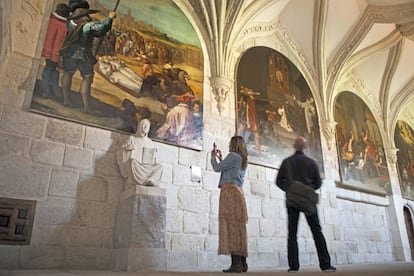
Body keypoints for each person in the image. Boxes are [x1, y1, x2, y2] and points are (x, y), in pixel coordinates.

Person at [276, 137, 336, 273]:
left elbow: (279, 182)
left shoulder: (287, 162)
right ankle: (325, 265)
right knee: (317, 232)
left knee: (292, 234)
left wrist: (291, 189)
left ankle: (293, 267)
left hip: (292, 201)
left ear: (294, 146)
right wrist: (307, 190)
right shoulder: (311, 162)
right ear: (305, 147)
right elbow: (318, 183)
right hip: (308, 201)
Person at [59, 3, 116, 112]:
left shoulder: (69, 23)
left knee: (67, 73)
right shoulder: (87, 26)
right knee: (87, 78)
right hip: (83, 55)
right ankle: (86, 107)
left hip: (69, 53)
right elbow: (101, 28)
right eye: (86, 14)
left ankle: (66, 100)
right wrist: (110, 18)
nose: (88, 17)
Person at [210, 136, 249, 273]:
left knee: (231, 227)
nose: (228, 144)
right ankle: (243, 263)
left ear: (234, 144)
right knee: (239, 228)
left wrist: (213, 157)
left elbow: (217, 168)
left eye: (230, 142)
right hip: (238, 192)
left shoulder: (233, 155)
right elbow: (230, 170)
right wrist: (222, 158)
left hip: (229, 192)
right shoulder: (243, 159)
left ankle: (236, 264)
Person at [117, 119, 162, 187]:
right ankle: (138, 181)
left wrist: (153, 154)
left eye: (147, 126)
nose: (145, 127)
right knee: (132, 162)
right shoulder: (132, 138)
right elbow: (120, 152)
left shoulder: (150, 142)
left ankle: (151, 180)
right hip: (137, 165)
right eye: (143, 125)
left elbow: (154, 159)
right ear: (139, 126)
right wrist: (127, 148)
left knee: (159, 167)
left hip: (148, 166)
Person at [40, 3, 70, 98]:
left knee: (48, 70)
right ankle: (55, 92)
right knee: (53, 70)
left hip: (49, 50)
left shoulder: (51, 20)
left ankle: (47, 92)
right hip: (57, 53)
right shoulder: (65, 26)